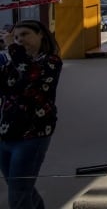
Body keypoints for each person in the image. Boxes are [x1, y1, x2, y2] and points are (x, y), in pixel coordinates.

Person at [0, 20, 62, 209]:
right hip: (7, 132)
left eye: (25, 34)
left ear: (41, 34)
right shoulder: (15, 62)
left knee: (18, 195)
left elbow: (31, 75)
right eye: (16, 37)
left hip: (33, 135)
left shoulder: (50, 62)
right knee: (20, 187)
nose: (20, 40)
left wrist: (12, 48)